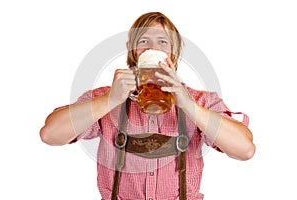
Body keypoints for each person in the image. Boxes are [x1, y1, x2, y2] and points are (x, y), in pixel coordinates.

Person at [40, 12, 255, 200]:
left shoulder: (200, 101)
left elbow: (245, 150)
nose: (153, 48)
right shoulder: (104, 98)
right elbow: (50, 134)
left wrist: (189, 106)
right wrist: (110, 100)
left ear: (174, 52)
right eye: (144, 41)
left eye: (163, 42)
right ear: (132, 51)